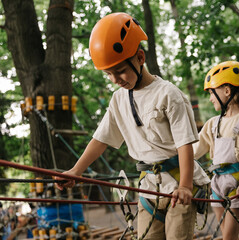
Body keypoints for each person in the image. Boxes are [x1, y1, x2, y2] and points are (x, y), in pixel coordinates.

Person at [55, 12, 209, 240]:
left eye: (120, 71)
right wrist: (76, 171)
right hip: (149, 188)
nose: (115, 79)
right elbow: (101, 139)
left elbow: (184, 144)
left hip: (179, 182)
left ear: (140, 57)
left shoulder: (168, 94)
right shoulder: (118, 100)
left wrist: (186, 186)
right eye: (109, 74)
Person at [193, 61, 239, 240]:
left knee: (229, 238)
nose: (210, 98)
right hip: (217, 183)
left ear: (226, 91)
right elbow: (193, 150)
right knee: (226, 233)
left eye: (212, 92)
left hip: (237, 184)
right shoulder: (213, 123)